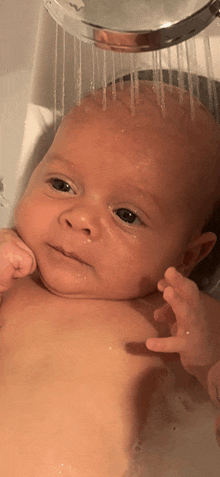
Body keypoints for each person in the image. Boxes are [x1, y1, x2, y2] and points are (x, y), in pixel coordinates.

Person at [1, 81, 220, 477]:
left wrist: (207, 358)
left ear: (188, 256)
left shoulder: (181, 315)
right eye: (61, 185)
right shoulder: (14, 269)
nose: (79, 218)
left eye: (127, 214)